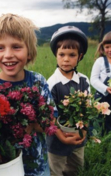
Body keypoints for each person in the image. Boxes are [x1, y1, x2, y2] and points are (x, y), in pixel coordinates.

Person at [0, 13, 56, 176]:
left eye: (16, 47)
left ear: (29, 51)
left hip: (37, 166)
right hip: (3, 167)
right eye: (0, 47)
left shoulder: (37, 82)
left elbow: (51, 120)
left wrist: (31, 126)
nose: (8, 54)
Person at [46, 26, 89, 176]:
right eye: (61, 54)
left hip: (78, 136)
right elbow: (49, 116)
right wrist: (61, 136)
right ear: (56, 55)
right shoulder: (51, 84)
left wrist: (83, 130)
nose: (66, 59)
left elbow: (87, 108)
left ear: (80, 56)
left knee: (76, 166)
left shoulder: (84, 80)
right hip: (58, 139)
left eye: (72, 55)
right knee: (56, 169)